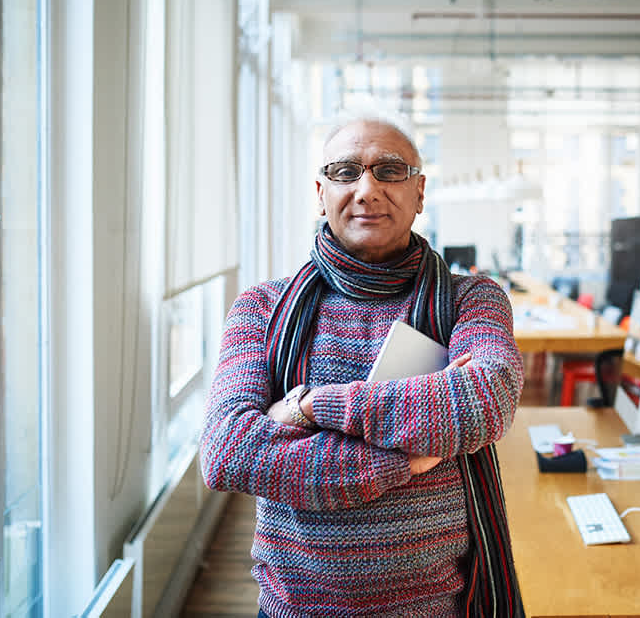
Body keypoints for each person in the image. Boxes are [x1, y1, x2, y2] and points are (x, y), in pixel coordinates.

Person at [200, 107, 525, 617]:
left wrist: (306, 408)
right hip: (294, 607)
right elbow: (228, 453)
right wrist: (409, 458)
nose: (367, 189)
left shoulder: (472, 299)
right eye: (346, 172)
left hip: (435, 606)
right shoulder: (261, 308)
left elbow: (484, 403)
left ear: (419, 192)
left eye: (389, 170)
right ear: (320, 193)